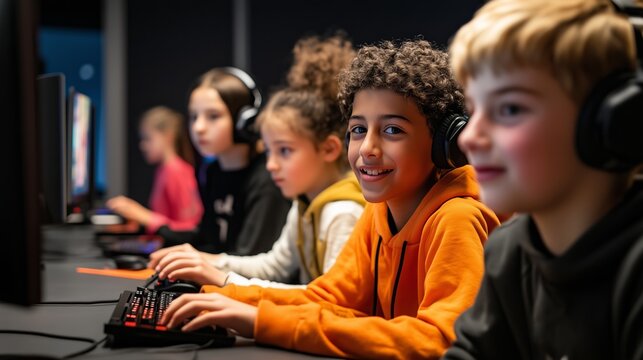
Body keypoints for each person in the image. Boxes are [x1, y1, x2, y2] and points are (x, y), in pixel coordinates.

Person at [159, 40, 500, 359]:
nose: (367, 148)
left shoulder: (456, 219)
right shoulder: (379, 212)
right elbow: (328, 298)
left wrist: (262, 322)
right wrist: (220, 297)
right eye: (358, 129)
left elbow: (441, 340)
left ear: (445, 145)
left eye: (392, 130)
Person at [443, 0, 643, 358]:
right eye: (473, 111)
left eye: (510, 109)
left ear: (613, 121)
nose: (468, 138)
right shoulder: (509, 251)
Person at [148, 35, 365, 289]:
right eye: (270, 152)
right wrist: (207, 261)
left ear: (328, 149)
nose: (271, 164)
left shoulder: (342, 213)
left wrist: (222, 278)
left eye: (284, 151)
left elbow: (326, 301)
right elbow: (274, 267)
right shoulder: (305, 203)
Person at [158, 67, 291, 255]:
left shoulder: (267, 178)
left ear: (244, 120)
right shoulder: (213, 171)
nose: (198, 127)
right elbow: (208, 239)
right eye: (194, 116)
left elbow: (250, 256)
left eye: (213, 116)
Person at [107, 106, 202, 234]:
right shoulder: (163, 170)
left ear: (168, 136)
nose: (143, 145)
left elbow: (189, 228)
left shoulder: (177, 172)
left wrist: (144, 216)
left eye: (148, 138)